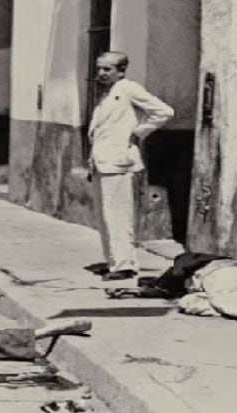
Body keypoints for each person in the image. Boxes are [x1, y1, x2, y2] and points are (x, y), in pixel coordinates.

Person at [86, 51, 174, 281]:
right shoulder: (106, 95)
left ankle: (125, 265)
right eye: (99, 69)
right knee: (105, 216)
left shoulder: (129, 89)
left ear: (121, 71)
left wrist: (138, 132)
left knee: (119, 216)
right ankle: (113, 262)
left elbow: (164, 111)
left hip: (119, 162)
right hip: (101, 162)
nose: (101, 73)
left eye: (107, 69)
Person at [106, 252, 237, 327]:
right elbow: (166, 289)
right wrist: (130, 292)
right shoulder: (190, 277)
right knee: (193, 303)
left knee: (224, 295)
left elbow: (166, 284)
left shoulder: (186, 262)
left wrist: (152, 287)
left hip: (217, 272)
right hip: (231, 272)